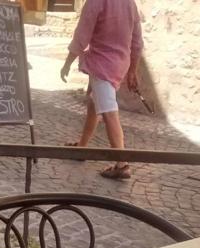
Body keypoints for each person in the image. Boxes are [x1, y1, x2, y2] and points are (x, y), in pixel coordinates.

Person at [60, 0, 143, 180]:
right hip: (119, 63)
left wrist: (67, 62)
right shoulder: (130, 3)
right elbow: (137, 41)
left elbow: (81, 36)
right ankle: (82, 147)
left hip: (102, 65)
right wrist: (132, 69)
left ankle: (122, 164)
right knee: (93, 102)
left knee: (109, 112)